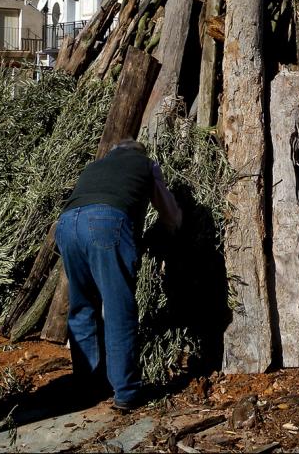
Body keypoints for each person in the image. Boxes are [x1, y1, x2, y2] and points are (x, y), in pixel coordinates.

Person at [55, 138, 182, 411]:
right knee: (117, 308)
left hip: (66, 225)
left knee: (82, 306)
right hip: (104, 223)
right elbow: (169, 213)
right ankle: (126, 391)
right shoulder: (147, 164)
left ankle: (86, 387)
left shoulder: (95, 166)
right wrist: (173, 230)